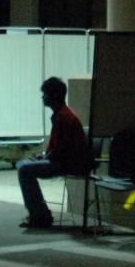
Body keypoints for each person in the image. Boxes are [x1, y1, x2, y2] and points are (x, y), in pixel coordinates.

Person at [16, 77, 90, 229]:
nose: (43, 97)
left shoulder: (63, 117)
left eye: (45, 94)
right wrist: (44, 156)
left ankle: (39, 215)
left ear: (54, 96)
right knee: (23, 164)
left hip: (67, 163)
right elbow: (59, 146)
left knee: (24, 169)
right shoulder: (62, 115)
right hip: (62, 160)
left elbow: (63, 149)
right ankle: (40, 213)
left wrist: (46, 157)